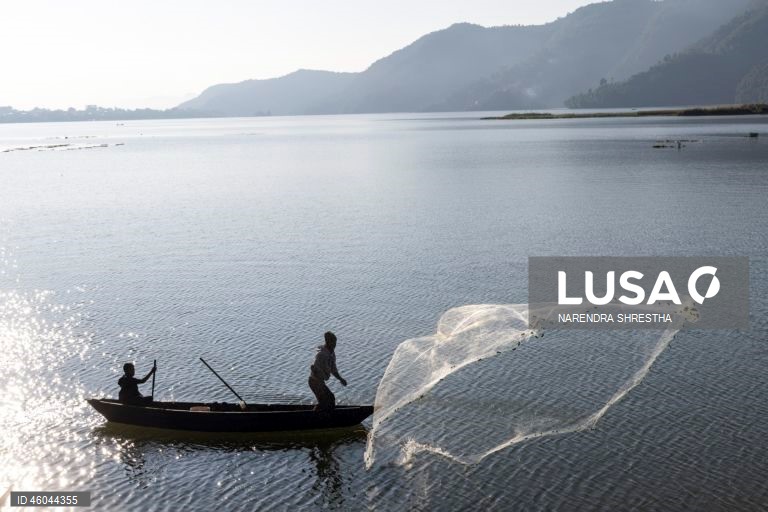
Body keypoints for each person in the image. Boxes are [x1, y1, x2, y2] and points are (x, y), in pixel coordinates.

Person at [308, 331, 347, 411]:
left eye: (335, 343)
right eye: (333, 343)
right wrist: (314, 369)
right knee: (328, 399)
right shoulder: (322, 354)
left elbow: (333, 369)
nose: (335, 345)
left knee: (328, 400)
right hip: (314, 381)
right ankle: (315, 417)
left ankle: (325, 415)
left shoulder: (331, 354)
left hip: (320, 382)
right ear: (328, 342)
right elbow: (314, 366)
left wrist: (341, 379)